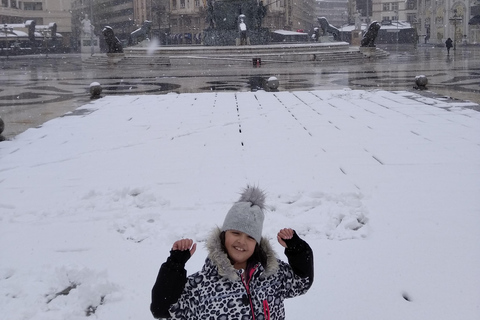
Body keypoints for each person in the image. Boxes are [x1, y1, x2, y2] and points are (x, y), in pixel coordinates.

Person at [150, 185, 314, 319]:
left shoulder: (272, 275)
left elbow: (302, 281)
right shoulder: (201, 285)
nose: (241, 241)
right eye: (235, 233)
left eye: (250, 237)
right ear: (223, 236)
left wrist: (297, 249)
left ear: (257, 244)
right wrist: (174, 265)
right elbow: (162, 308)